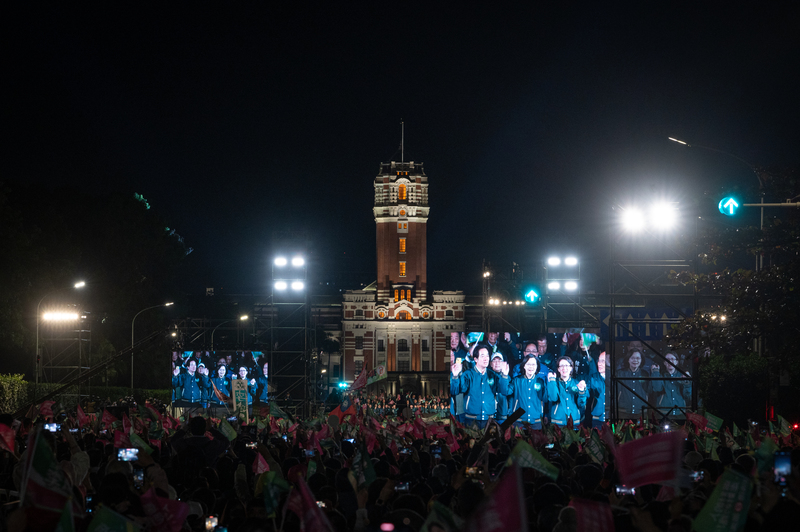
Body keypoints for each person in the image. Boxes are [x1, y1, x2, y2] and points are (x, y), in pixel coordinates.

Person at [450, 346, 509, 428]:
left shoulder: (492, 375)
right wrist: (455, 376)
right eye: (482, 356)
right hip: (471, 420)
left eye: (487, 355)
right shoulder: (468, 374)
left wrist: (504, 375)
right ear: (475, 359)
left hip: (489, 420)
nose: (486, 358)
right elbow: (456, 391)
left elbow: (504, 391)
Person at [505, 355, 547, 428]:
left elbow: (546, 398)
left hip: (536, 421)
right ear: (524, 366)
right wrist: (504, 376)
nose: (531, 366)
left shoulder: (540, 381)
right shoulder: (517, 380)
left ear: (537, 366)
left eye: (533, 364)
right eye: (528, 364)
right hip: (518, 421)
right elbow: (506, 391)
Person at [546, 356, 587, 427]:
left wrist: (581, 391)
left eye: (567, 365)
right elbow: (553, 398)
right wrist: (552, 381)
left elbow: (581, 404)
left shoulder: (576, 383)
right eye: (561, 366)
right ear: (558, 369)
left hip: (574, 422)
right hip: (557, 422)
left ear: (571, 368)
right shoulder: (554, 382)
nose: (564, 368)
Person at [650, 352, 691, 418]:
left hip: (680, 412)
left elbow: (687, 394)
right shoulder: (660, 374)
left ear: (677, 361)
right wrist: (655, 372)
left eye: (672, 359)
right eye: (667, 359)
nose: (670, 361)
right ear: (664, 363)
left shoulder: (682, 375)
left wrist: (687, 382)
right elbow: (657, 388)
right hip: (663, 412)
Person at [616, 350, 650, 419]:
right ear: (628, 359)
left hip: (641, 412)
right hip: (623, 411)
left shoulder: (644, 374)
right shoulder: (621, 373)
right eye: (632, 358)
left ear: (641, 360)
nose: (635, 360)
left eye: (638, 358)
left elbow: (648, 391)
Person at [585, 347, 607, 428]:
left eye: (603, 361)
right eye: (599, 360)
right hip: (597, 419)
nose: (599, 363)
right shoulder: (592, 378)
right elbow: (586, 394)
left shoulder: (615, 378)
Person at [489, 353, 510, 423]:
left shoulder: (507, 378)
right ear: (491, 364)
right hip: (489, 415)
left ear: (503, 363)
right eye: (494, 360)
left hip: (503, 415)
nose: (497, 363)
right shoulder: (486, 376)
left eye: (499, 360)